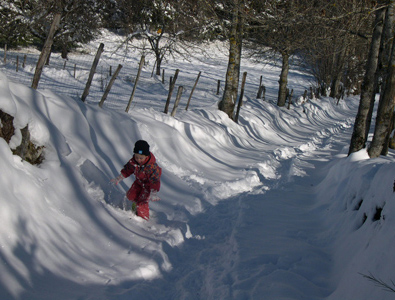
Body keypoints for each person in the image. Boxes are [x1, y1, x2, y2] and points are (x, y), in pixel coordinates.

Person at [111, 140, 161, 220]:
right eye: (136, 156)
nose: (138, 159)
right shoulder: (134, 161)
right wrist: (119, 178)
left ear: (146, 156)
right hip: (138, 183)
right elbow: (127, 169)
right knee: (130, 195)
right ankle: (134, 208)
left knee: (142, 203)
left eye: (141, 158)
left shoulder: (151, 167)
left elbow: (155, 179)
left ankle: (142, 219)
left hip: (148, 187)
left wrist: (153, 192)